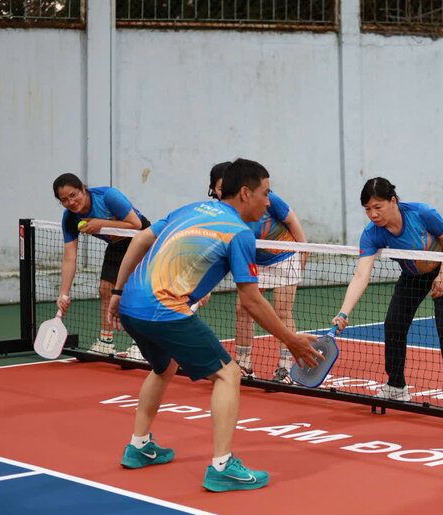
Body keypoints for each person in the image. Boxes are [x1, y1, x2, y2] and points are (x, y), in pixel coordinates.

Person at [107, 158, 321, 492]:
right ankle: (222, 466)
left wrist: (117, 293)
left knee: (163, 368)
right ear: (246, 193)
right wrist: (290, 339)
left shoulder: (191, 209)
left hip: (133, 304)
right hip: (165, 309)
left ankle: (139, 446)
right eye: (265, 193)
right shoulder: (239, 233)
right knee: (228, 373)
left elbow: (139, 241)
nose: (269, 201)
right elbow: (251, 301)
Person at [332, 177, 443, 410]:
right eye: (367, 209)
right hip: (412, 275)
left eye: (377, 207)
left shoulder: (421, 213)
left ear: (392, 201)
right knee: (393, 324)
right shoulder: (373, 234)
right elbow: (361, 276)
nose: (373, 214)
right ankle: (396, 386)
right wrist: (343, 313)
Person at [208, 162, 308, 383]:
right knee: (242, 309)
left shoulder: (267, 198)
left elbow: (291, 220)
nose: (223, 189)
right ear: (214, 189)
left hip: (284, 254)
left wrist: (304, 251)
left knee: (282, 311)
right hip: (255, 259)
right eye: (219, 186)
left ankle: (284, 368)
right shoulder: (222, 211)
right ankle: (243, 364)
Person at [53, 173, 150, 360]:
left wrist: (100, 224)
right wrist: (63, 294)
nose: (71, 202)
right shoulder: (70, 219)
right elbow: (69, 257)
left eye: (73, 195)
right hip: (117, 244)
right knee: (106, 289)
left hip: (140, 238)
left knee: (134, 290)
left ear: (83, 188)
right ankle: (106, 344)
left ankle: (141, 344)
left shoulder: (108, 196)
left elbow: (136, 224)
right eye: (64, 200)